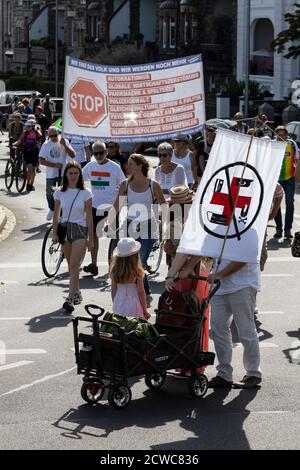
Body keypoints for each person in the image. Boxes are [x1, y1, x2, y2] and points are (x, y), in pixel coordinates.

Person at [107, 153, 165, 298]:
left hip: (148, 225)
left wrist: (163, 227)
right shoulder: (125, 185)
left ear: (140, 166)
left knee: (141, 261)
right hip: (130, 225)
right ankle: (144, 292)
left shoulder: (153, 185)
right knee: (132, 261)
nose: (128, 166)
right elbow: (116, 206)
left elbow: (164, 206)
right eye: (128, 163)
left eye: (131, 163)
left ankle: (142, 292)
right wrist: (109, 222)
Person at [52, 161, 94, 312]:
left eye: (76, 173)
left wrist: (90, 238)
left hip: (80, 230)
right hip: (64, 229)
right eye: (70, 173)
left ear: (80, 175)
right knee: (71, 266)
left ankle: (69, 299)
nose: (73, 176)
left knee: (75, 265)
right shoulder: (59, 192)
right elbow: (56, 215)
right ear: (66, 174)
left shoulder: (86, 193)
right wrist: (54, 232)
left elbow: (89, 217)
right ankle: (77, 293)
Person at [82, 140, 125, 276]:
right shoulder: (90, 166)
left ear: (106, 152)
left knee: (115, 235)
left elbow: (123, 185)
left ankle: (113, 264)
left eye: (101, 153)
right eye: (95, 153)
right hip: (95, 206)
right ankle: (94, 265)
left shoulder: (115, 167)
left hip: (112, 207)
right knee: (93, 236)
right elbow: (78, 179)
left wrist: (121, 202)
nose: (99, 155)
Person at [110, 238, 151, 320]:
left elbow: (113, 290)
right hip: (133, 304)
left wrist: (115, 303)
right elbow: (141, 292)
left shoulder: (115, 271)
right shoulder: (137, 271)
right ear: (135, 256)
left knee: (120, 325)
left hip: (119, 302)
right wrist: (144, 310)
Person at [39, 126, 75, 220]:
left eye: (55, 135)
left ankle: (62, 214)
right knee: (49, 193)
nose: (53, 137)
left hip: (63, 173)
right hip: (51, 173)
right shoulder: (46, 145)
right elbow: (41, 161)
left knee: (63, 193)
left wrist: (65, 146)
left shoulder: (64, 141)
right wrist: (54, 165)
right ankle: (52, 208)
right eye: (51, 136)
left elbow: (73, 155)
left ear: (58, 134)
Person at [274, 126, 299, 239]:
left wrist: (298, 177)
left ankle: (287, 230)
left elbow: (298, 160)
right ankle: (278, 228)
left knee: (290, 203)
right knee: (276, 204)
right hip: (276, 180)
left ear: (286, 135)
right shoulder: (272, 145)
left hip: (289, 179)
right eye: (278, 135)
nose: (280, 138)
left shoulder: (292, 144)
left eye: (283, 135)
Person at [13, 119, 42, 191]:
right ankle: (27, 184)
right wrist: (13, 144)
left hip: (35, 152)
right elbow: (19, 140)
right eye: (27, 126)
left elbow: (40, 139)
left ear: (33, 126)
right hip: (27, 152)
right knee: (29, 168)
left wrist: (37, 130)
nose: (28, 127)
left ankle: (31, 184)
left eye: (29, 126)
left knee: (34, 170)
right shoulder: (24, 133)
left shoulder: (37, 133)